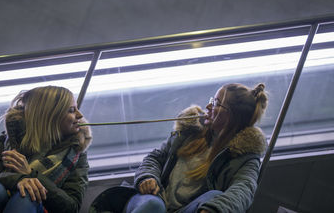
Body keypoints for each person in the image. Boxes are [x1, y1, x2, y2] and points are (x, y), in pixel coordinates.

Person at [90, 83, 268, 213]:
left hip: (188, 210)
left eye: (215, 103)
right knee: (153, 207)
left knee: (213, 196)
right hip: (154, 199)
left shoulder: (245, 157)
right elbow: (155, 158)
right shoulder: (190, 131)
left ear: (231, 115)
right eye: (212, 100)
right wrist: (148, 177)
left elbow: (244, 189)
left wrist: (216, 209)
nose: (208, 106)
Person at [0, 86, 92, 213]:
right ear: (50, 116)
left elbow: (71, 207)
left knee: (28, 196)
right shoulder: (9, 140)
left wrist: (32, 175)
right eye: (72, 110)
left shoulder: (76, 153)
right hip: (0, 203)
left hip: (39, 208)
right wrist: (21, 178)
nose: (80, 115)